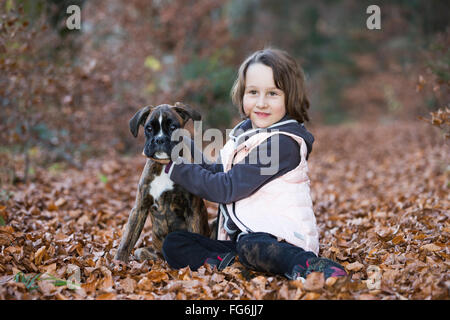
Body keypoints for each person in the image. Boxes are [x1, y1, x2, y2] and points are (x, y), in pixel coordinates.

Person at [161, 48, 347, 280]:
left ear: (290, 98)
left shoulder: (282, 144)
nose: (261, 103)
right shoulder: (244, 135)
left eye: (272, 94)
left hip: (282, 240)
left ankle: (310, 266)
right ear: (242, 95)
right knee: (175, 243)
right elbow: (219, 171)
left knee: (252, 246)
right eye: (253, 92)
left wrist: (177, 170)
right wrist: (182, 149)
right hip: (243, 242)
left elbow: (225, 188)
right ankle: (232, 266)